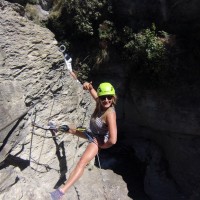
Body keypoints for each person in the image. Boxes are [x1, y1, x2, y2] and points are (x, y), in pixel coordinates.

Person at [50, 82, 117, 200]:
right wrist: (89, 86)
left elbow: (113, 140)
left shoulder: (110, 113)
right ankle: (56, 128)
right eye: (103, 97)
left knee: (82, 162)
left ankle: (60, 193)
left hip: (99, 139)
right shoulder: (100, 103)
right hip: (93, 133)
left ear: (113, 97)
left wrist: (101, 145)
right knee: (71, 129)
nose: (106, 100)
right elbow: (93, 93)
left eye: (109, 97)